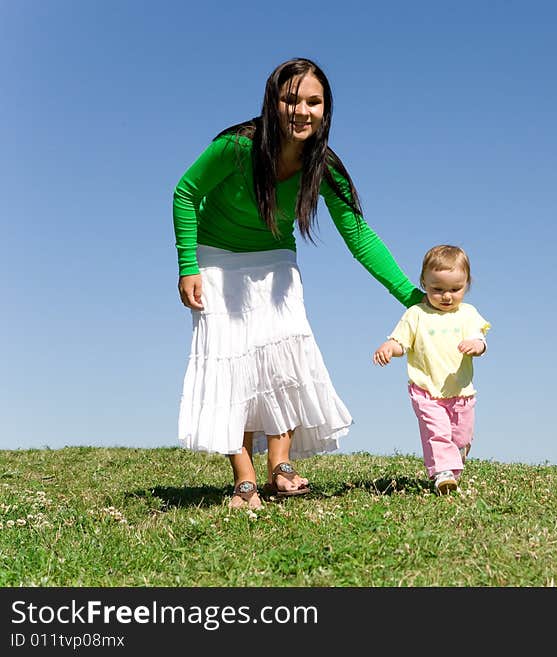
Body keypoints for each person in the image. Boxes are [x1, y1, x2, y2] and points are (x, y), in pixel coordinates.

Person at [173, 58, 423, 510]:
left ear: (325, 110)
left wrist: (412, 297)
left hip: (274, 260)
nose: (301, 110)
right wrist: (187, 264)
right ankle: (244, 478)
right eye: (291, 99)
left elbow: (360, 238)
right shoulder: (237, 147)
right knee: (232, 364)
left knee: (286, 353)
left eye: (313, 101)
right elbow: (186, 191)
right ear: (272, 102)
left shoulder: (322, 166)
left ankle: (280, 467)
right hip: (216, 258)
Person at [372, 245, 490, 494]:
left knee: (461, 438)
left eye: (455, 289)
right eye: (438, 289)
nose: (447, 296)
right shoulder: (416, 314)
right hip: (426, 390)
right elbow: (400, 342)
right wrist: (388, 348)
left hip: (461, 393)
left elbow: (480, 341)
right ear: (424, 282)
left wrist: (475, 345)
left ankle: (452, 466)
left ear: (467, 284)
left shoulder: (468, 314)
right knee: (437, 432)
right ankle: (442, 473)